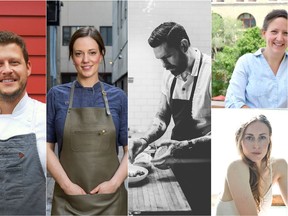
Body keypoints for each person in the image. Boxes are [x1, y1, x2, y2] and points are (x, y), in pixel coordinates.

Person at [129, 22, 211, 214]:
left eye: (167, 57)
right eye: (160, 60)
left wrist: (179, 147)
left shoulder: (210, 72)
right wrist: (144, 139)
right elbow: (161, 117)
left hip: (204, 166)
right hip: (176, 162)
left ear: (183, 45)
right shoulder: (170, 75)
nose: (164, 65)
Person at [47, 27, 128, 215]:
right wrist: (67, 186)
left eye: (92, 53)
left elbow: (129, 149)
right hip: (67, 200)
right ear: (72, 57)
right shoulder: (56, 96)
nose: (85, 60)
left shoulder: (119, 97)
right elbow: (46, 147)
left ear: (101, 54)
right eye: (78, 54)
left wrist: (114, 184)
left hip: (110, 200)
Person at [0, 31, 46, 215]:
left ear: (28, 67)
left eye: (14, 62)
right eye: (0, 64)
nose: (6, 70)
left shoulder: (45, 116)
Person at [216, 114, 287, 215]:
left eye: (262, 137)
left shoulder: (280, 166)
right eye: (249, 138)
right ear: (240, 141)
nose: (256, 145)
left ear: (269, 140)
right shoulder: (236, 167)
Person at [225, 9, 288, 108]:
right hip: (253, 122)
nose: (280, 38)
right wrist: (257, 118)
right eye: (274, 32)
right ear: (264, 33)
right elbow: (233, 102)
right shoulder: (246, 62)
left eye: (286, 33)